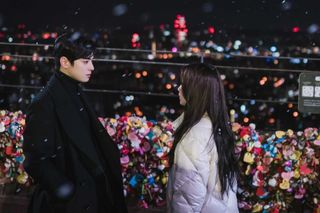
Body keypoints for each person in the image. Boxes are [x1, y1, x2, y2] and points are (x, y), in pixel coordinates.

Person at [23, 32, 128, 213]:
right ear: (65, 62)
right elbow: (36, 161)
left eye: (92, 61)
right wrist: (67, 192)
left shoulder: (75, 91)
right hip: (69, 204)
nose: (92, 67)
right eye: (86, 62)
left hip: (90, 197)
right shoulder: (44, 103)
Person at [166, 63, 239, 213]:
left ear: (195, 91)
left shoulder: (194, 136)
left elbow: (188, 200)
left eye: (183, 85)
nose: (179, 89)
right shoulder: (217, 126)